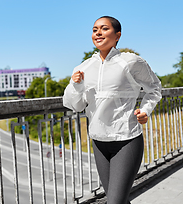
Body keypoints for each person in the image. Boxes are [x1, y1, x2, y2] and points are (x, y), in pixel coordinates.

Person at [63, 16, 162, 204]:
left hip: (126, 139)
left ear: (118, 35)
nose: (98, 33)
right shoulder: (84, 67)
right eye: (94, 29)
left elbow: (155, 88)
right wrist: (76, 85)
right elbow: (75, 105)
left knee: (115, 202)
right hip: (99, 141)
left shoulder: (131, 62)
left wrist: (146, 110)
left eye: (104, 29)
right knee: (118, 201)